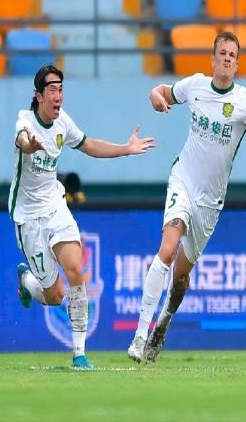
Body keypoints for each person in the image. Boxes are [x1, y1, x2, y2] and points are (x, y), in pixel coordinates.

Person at [127, 31, 246, 363]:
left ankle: (163, 323)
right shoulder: (195, 86)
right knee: (167, 249)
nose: (227, 59)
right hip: (183, 179)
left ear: (237, 64)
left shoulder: (244, 102)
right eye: (222, 53)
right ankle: (139, 337)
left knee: (180, 278)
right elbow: (162, 92)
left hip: (210, 202)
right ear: (213, 59)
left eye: (232, 55)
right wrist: (153, 95)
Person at [10, 64, 154, 369]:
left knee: (76, 269)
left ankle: (79, 354)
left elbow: (88, 145)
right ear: (38, 96)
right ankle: (27, 281)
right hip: (28, 217)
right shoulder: (26, 121)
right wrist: (28, 145)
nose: (58, 96)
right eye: (52, 90)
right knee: (55, 295)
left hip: (55, 205)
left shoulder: (62, 122)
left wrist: (125, 149)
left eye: (61, 89)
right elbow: (22, 138)